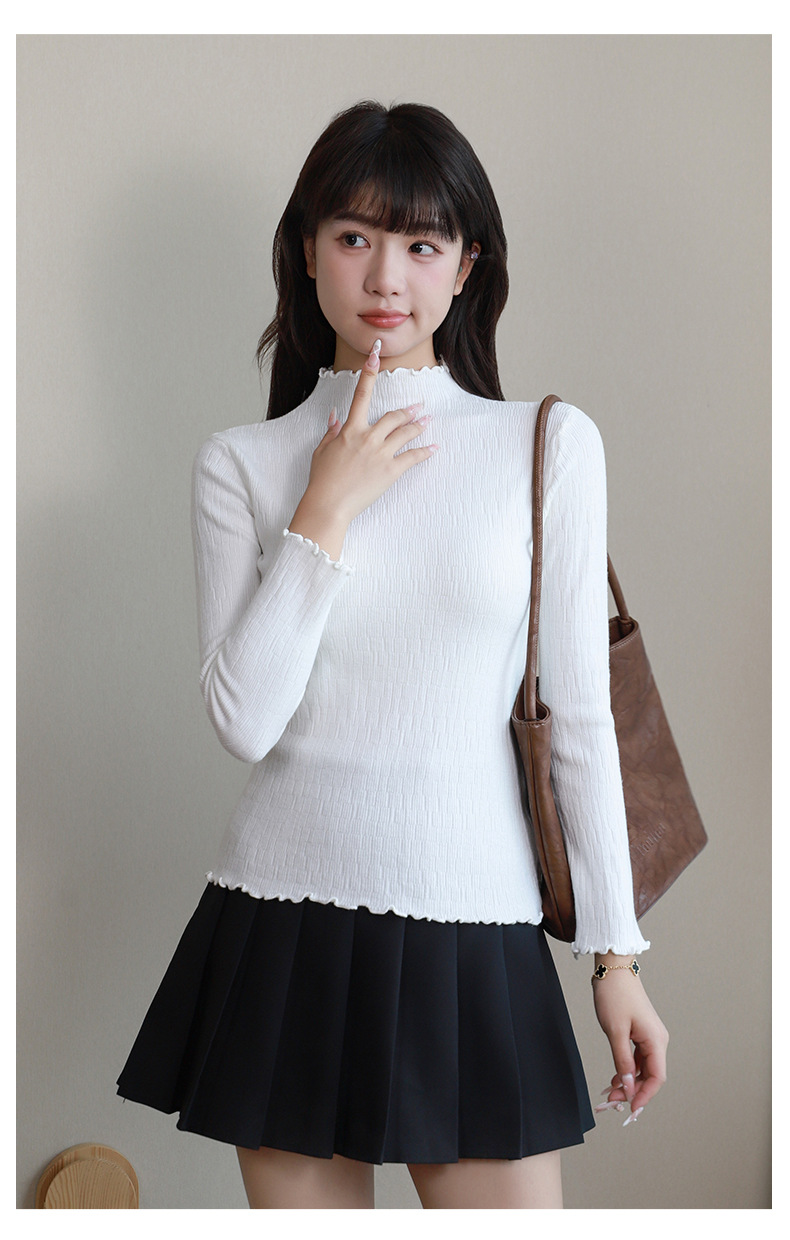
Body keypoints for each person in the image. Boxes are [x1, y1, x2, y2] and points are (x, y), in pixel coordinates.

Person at [116, 100, 668, 1210]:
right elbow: (244, 720)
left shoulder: (545, 445)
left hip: (476, 923)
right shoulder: (243, 462)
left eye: (421, 244)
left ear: (467, 266)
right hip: (281, 919)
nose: (385, 276)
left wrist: (615, 959)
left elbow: (581, 719)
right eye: (354, 237)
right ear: (306, 251)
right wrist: (324, 510)